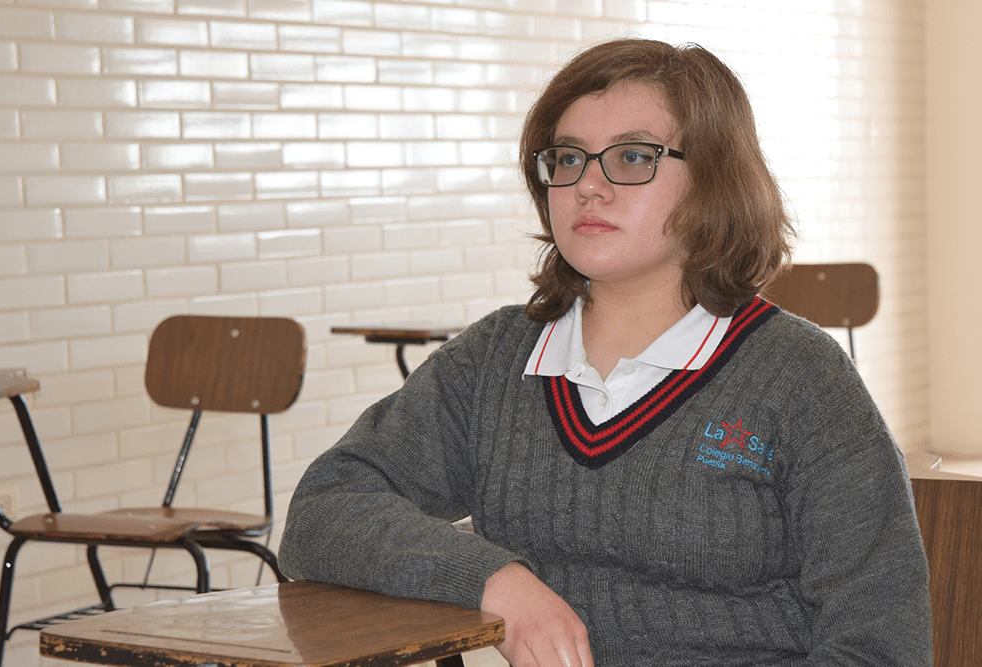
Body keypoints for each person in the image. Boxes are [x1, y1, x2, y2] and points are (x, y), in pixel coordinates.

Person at [279, 39, 932, 667]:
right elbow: (323, 510)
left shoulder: (802, 377)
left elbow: (881, 643)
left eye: (632, 156)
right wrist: (499, 583)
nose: (588, 186)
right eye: (568, 158)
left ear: (714, 180)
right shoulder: (493, 361)